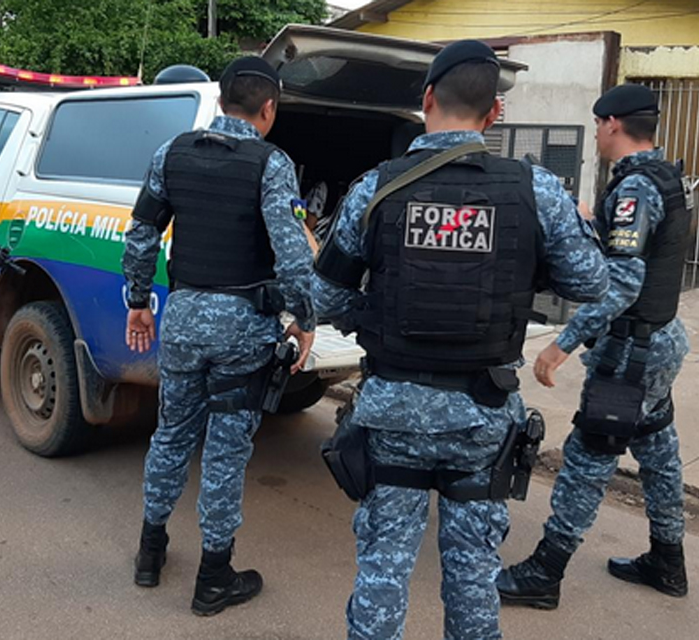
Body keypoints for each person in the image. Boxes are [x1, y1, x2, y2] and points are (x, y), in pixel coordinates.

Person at [313, 40, 608, 640]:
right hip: (482, 418)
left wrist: (375, 312)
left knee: (382, 574)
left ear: (426, 100)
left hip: (393, 414)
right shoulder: (537, 191)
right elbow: (592, 281)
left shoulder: (377, 187)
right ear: (494, 113)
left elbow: (326, 298)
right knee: (473, 576)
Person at [121, 56, 316, 616]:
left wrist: (139, 303)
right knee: (226, 453)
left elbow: (139, 238)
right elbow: (293, 252)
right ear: (268, 109)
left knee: (171, 435)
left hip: (180, 322)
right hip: (243, 333)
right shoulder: (271, 163)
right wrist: (304, 318)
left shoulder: (172, 153)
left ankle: (149, 553)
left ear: (220, 101)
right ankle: (213, 577)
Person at [496, 84, 693, 609]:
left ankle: (546, 571)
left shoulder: (633, 190)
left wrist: (561, 344)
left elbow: (624, 283)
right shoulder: (664, 175)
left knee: (587, 457)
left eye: (598, 126)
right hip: (661, 340)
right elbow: (643, 255)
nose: (598, 137)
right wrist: (590, 224)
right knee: (657, 450)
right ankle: (668, 560)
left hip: (632, 350)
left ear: (611, 124)